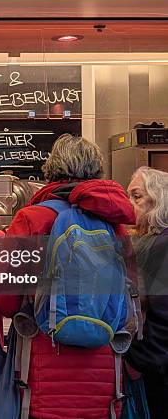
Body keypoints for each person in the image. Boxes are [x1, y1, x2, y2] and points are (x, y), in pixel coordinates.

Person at [0, 134, 136, 419]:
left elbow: (3, 299)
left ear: (51, 170)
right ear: (96, 172)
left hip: (43, 366)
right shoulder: (114, 225)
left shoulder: (31, 219)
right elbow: (131, 299)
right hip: (103, 368)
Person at [125, 167, 168, 419]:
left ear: (159, 200)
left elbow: (163, 317)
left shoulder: (161, 247)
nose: (129, 204)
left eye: (137, 197)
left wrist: (138, 358)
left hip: (158, 373)